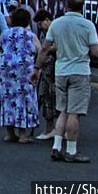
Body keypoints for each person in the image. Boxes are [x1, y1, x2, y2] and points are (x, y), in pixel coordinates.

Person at [33, 0, 98, 163]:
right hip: (80, 70)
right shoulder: (87, 25)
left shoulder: (56, 24)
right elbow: (95, 52)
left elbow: (44, 48)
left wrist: (36, 68)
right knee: (74, 112)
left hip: (61, 70)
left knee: (62, 110)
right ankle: (71, 149)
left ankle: (57, 146)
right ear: (83, 6)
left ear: (67, 5)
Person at [0, 8, 40, 143]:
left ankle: (9, 132)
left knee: (6, 97)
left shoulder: (5, 33)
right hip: (24, 70)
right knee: (24, 98)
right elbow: (39, 50)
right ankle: (23, 134)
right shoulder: (30, 35)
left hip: (5, 69)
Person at [33, 10, 57, 140]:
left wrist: (47, 49)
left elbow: (56, 46)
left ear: (47, 20)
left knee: (50, 97)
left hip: (54, 69)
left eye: (41, 23)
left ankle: (50, 128)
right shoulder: (46, 33)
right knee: (49, 97)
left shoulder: (54, 31)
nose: (40, 26)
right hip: (50, 69)